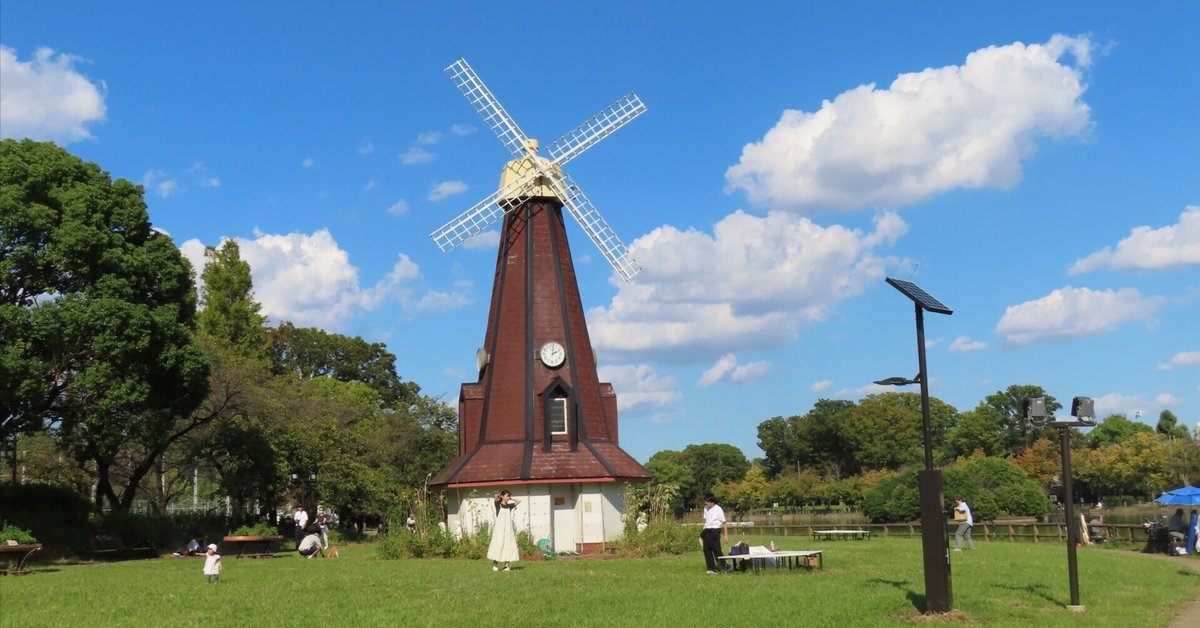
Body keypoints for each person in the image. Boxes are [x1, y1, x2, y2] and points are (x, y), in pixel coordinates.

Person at [487, 490, 521, 572]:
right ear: (502, 496)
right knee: (497, 545)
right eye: (507, 496)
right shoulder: (498, 504)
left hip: (508, 530)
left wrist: (511, 498)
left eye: (509, 496)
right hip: (499, 529)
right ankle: (495, 564)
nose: (508, 498)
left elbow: (519, 501)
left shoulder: (510, 506)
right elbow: (495, 499)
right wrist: (497, 496)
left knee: (508, 546)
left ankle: (506, 566)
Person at [700, 494, 728, 574]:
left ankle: (724, 567)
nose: (706, 503)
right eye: (706, 501)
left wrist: (726, 535)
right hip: (707, 530)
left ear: (713, 502)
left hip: (715, 530)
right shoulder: (705, 508)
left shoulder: (718, 509)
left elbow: (724, 523)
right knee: (707, 550)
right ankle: (711, 569)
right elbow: (706, 519)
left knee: (717, 550)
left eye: (708, 502)